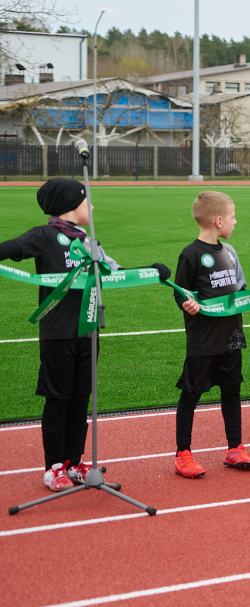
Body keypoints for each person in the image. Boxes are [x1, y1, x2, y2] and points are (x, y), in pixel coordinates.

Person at [0, 178, 166, 493]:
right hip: (58, 334)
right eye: (87, 199)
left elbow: (115, 273)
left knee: (80, 399)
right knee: (58, 399)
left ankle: (75, 462)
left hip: (88, 331)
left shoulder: (90, 243)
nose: (92, 206)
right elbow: (14, 249)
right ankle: (54, 467)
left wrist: (152, 270)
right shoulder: (45, 235)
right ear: (70, 205)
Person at [172, 191, 250, 479]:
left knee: (231, 391)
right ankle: (183, 453)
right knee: (191, 393)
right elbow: (181, 291)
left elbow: (240, 293)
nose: (236, 222)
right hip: (203, 340)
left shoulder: (230, 252)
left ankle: (235, 447)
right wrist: (188, 302)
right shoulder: (191, 254)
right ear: (219, 220)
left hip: (232, 337)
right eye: (233, 217)